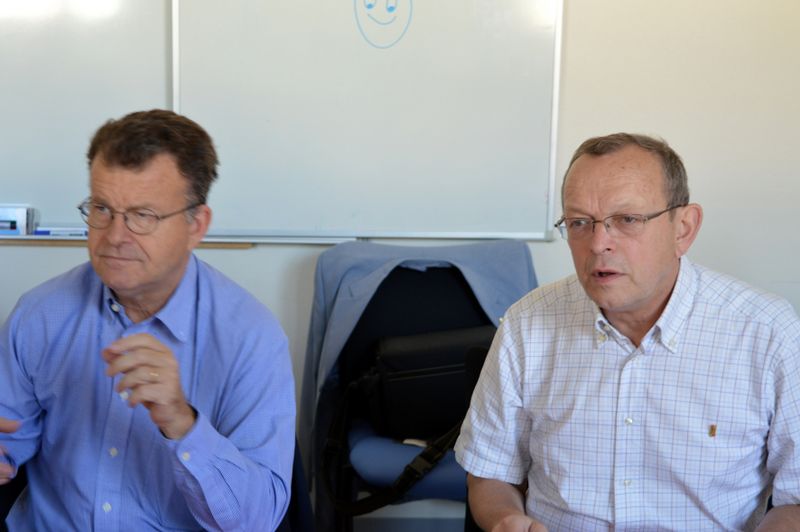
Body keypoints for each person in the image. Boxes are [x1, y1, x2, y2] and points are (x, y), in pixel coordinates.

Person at [455, 133, 800, 531]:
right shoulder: (527, 324)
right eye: (579, 223)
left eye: (627, 220)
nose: (598, 244)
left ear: (683, 228)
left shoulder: (767, 332)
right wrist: (506, 518)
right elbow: (491, 472)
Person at [0, 109, 296, 531]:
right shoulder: (40, 314)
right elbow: (9, 443)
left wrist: (182, 424)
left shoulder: (251, 338)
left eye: (143, 215)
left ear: (196, 225)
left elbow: (257, 520)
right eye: (102, 208)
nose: (115, 236)